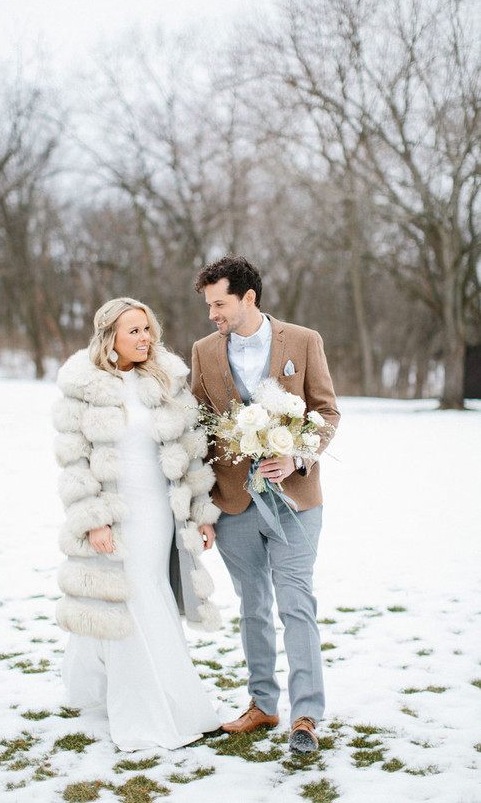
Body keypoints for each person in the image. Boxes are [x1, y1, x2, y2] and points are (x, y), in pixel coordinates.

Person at [53, 297, 221, 751]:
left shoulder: (166, 380)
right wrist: (95, 520)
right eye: (134, 331)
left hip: (158, 511)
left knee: (149, 591)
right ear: (110, 337)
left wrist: (201, 514)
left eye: (147, 329)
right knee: (123, 598)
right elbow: (75, 461)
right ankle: (143, 708)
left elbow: (191, 452)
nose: (145, 338)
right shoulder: (84, 386)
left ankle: (170, 697)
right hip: (114, 509)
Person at [191, 256, 340, 754]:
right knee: (252, 606)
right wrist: (201, 508)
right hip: (233, 503)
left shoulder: (304, 341)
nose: (212, 314)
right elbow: (197, 432)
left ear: (248, 298)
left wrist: (297, 456)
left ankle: (306, 715)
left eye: (219, 303)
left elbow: (326, 411)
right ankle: (262, 704)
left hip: (296, 500)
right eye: (209, 305)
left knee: (296, 602)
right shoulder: (203, 351)